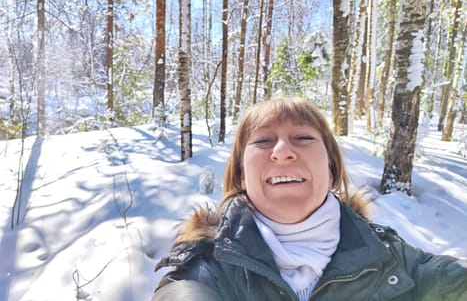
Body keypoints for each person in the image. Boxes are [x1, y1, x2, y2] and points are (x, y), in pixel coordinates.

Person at [152, 97, 467, 301]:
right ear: (242, 177)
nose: (283, 151)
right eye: (263, 141)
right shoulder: (204, 268)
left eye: (303, 138)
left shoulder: (393, 259)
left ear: (330, 171)